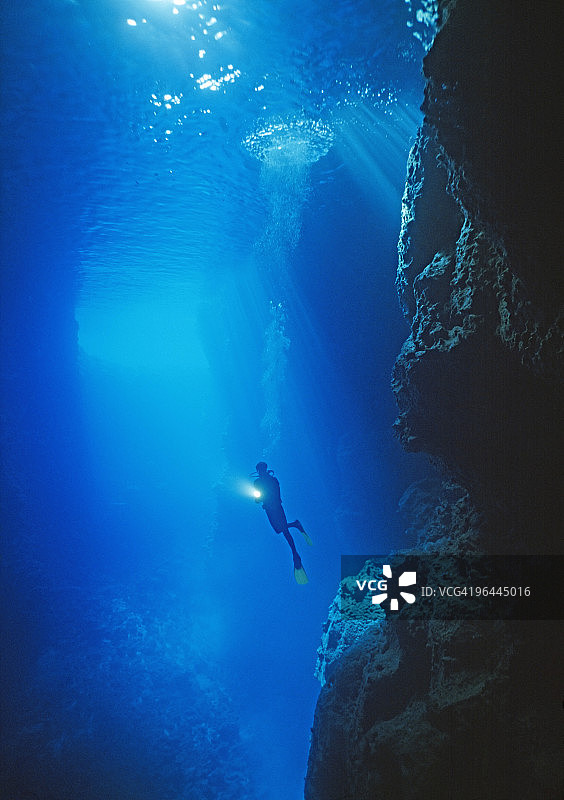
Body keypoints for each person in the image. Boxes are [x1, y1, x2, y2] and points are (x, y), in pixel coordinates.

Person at [252, 461, 312, 585]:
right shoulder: (259, 482)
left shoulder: (270, 480)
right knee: (279, 530)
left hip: (275, 508)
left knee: (284, 530)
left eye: (262, 469)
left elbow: (273, 495)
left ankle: (295, 554)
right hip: (270, 509)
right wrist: (261, 499)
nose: (261, 471)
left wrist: (264, 500)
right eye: (260, 470)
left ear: (264, 469)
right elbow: (259, 498)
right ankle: (295, 525)